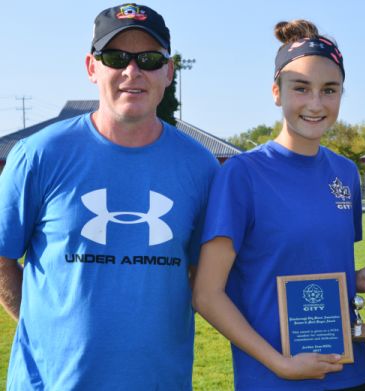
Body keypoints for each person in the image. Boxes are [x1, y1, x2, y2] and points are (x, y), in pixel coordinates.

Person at [0, 3, 219, 389]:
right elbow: (2, 256)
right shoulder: (39, 154)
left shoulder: (201, 167)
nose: (132, 72)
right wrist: (44, 327)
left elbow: (210, 275)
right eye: (115, 57)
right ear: (91, 67)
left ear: (168, 72)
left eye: (149, 59)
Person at [193, 20, 365, 391]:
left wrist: (354, 280)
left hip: (352, 375)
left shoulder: (345, 173)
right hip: (274, 380)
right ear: (277, 91)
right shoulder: (242, 174)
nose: (316, 104)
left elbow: (307, 269)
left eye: (329, 90)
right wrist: (281, 364)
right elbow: (207, 295)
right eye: (301, 89)